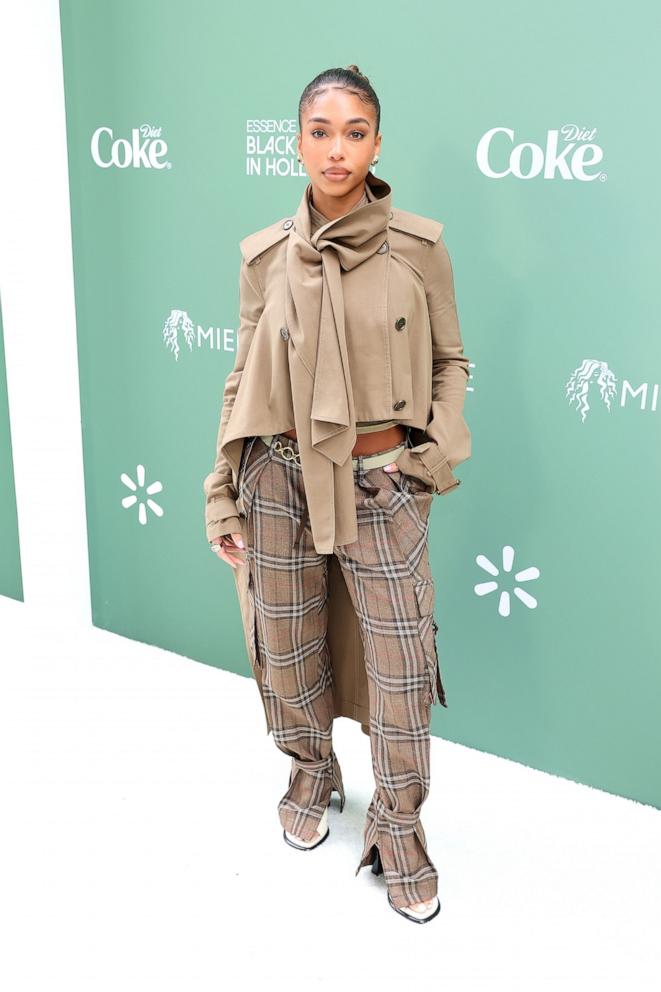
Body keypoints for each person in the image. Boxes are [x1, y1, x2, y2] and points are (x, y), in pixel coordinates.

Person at [203, 65, 471, 924]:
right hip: (277, 475)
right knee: (285, 645)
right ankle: (311, 768)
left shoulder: (419, 249)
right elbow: (242, 377)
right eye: (320, 130)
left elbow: (449, 364)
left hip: (377, 480)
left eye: (354, 131)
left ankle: (397, 825)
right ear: (296, 141)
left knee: (399, 669)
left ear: (377, 143)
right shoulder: (264, 255)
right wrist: (221, 491)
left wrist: (423, 462)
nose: (336, 148)